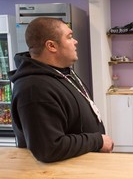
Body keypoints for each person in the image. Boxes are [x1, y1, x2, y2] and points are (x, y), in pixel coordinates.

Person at [8, 17, 114, 163]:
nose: (75, 41)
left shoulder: (63, 72)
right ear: (51, 46)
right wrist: (97, 141)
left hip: (83, 164)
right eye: (69, 37)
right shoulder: (34, 89)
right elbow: (49, 148)